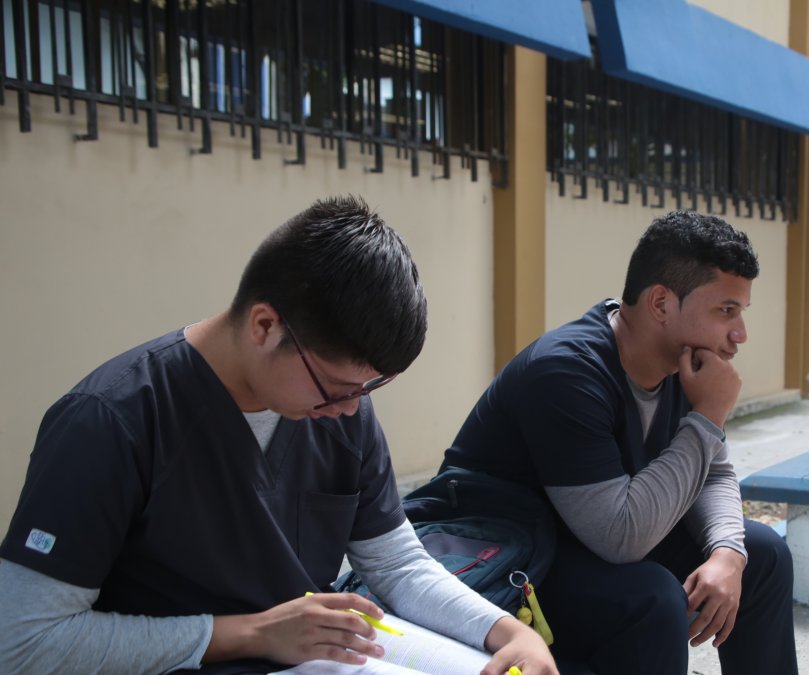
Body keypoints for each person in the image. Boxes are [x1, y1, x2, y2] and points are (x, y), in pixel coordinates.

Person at [0, 196, 556, 675]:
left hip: (308, 654)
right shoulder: (111, 420)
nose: (349, 409)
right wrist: (252, 634)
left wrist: (507, 631)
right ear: (265, 326)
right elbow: (22, 641)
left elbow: (396, 565)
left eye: (367, 388)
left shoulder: (341, 411)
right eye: (337, 387)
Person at [436, 211, 797, 674]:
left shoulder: (685, 365)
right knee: (652, 598)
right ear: (661, 303)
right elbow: (620, 539)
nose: (740, 334)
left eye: (741, 312)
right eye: (726, 311)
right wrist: (708, 417)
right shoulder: (565, 371)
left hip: (589, 539)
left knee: (761, 553)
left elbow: (713, 473)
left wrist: (728, 552)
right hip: (510, 556)